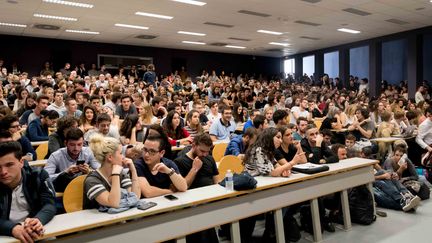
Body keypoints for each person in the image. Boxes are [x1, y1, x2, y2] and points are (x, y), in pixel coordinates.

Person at [0, 141, 56, 242]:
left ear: (21, 162)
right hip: (4, 232)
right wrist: (12, 228)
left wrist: (38, 219)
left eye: (9, 165)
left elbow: (49, 204)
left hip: (32, 228)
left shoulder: (38, 175)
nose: (3, 172)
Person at [174, 133, 219, 243]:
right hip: (192, 205)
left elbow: (217, 182)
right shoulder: (180, 162)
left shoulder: (209, 159)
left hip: (209, 202)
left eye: (207, 151)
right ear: (193, 145)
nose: (205, 154)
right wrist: (194, 169)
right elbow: (183, 187)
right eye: (202, 151)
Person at [83, 134, 141, 209]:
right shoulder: (92, 181)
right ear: (110, 157)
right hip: (96, 219)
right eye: (120, 153)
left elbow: (135, 197)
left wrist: (133, 171)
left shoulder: (121, 174)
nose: (123, 157)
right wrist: (115, 175)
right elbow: (113, 203)